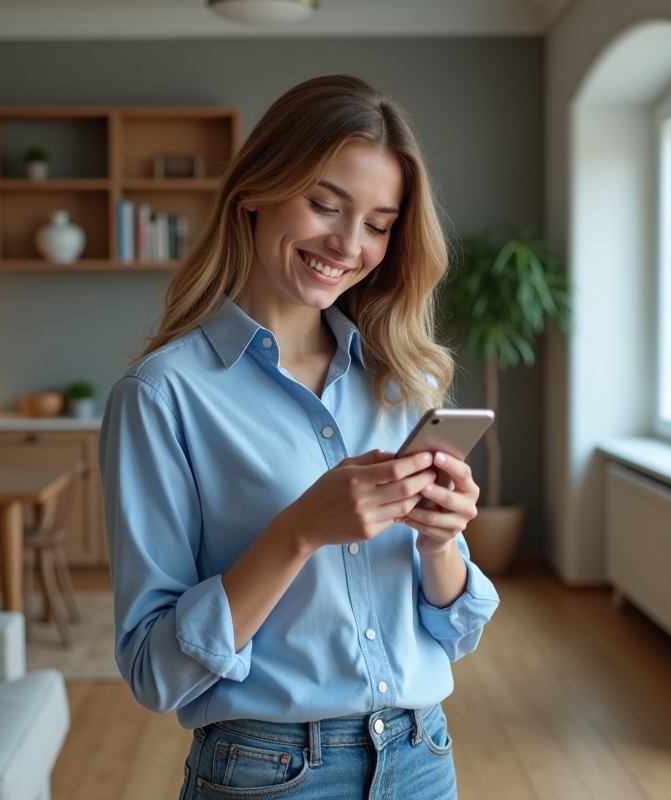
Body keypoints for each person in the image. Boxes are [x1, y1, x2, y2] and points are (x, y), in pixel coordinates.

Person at [99, 74, 500, 800]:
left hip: (421, 756)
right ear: (254, 189)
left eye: (379, 223)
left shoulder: (402, 382)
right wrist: (299, 532)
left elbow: (456, 632)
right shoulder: (163, 396)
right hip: (267, 776)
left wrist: (441, 542)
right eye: (325, 205)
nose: (349, 244)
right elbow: (154, 670)